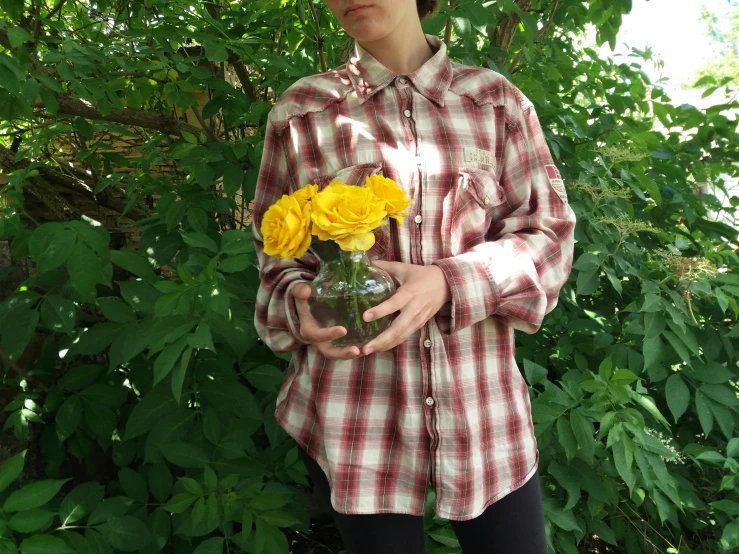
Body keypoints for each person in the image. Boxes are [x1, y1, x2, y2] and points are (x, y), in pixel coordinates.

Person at [251, 0, 576, 552]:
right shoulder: (302, 113)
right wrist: (297, 305)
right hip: (354, 416)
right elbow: (274, 254)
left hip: (483, 414)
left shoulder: (495, 103)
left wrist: (451, 282)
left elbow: (550, 236)